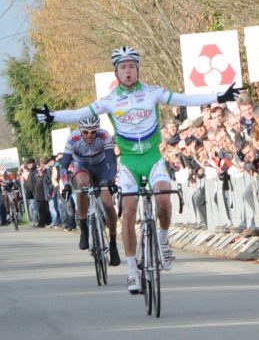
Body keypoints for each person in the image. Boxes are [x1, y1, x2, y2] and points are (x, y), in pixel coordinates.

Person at [33, 46, 242, 294]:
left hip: (153, 158)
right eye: (123, 67)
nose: (128, 71)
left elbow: (183, 99)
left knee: (164, 199)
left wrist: (218, 97)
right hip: (130, 162)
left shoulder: (152, 92)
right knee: (129, 212)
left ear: (137, 69)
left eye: (132, 66)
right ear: (117, 72)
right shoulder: (110, 100)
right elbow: (80, 113)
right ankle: (132, 271)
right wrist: (52, 115)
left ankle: (163, 243)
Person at [59, 116, 121, 266]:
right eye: (85, 132)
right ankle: (84, 226)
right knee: (82, 184)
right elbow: (64, 166)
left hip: (101, 168)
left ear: (97, 130)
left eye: (93, 132)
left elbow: (111, 161)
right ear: (80, 130)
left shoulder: (104, 135)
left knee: (107, 203)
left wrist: (111, 180)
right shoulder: (73, 138)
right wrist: (66, 184)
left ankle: (113, 244)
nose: (89, 135)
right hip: (81, 167)